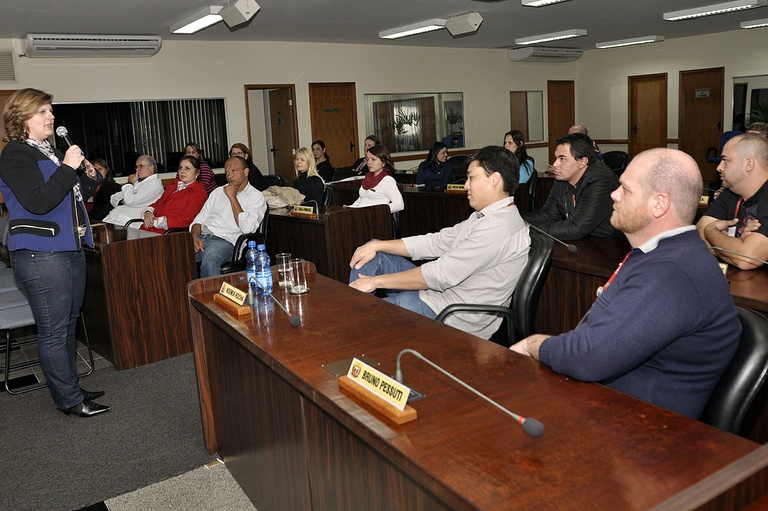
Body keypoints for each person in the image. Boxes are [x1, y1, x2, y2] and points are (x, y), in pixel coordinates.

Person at [511, 148, 741, 420]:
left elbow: (589, 356)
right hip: (607, 408)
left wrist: (534, 345)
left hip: (639, 431)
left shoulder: (671, 272)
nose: (614, 194)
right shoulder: (661, 255)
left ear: (660, 204)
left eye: (625, 189)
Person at [0, 88, 109, 417]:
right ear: (22, 118)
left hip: (69, 248)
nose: (51, 117)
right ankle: (69, 400)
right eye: (43, 112)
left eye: (51, 111)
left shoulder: (47, 152)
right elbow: (38, 201)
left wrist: (88, 180)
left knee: (69, 323)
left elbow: (68, 199)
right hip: (41, 253)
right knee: (54, 329)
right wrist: (67, 167)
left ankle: (71, 387)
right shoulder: (16, 154)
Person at [348, 145, 530, 340]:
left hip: (453, 315)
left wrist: (374, 282)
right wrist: (378, 245)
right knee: (374, 248)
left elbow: (441, 274)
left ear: (494, 179)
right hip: (439, 295)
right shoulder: (485, 216)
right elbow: (437, 242)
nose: (466, 185)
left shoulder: (499, 227)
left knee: (373, 314)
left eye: (472, 178)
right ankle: (350, 314)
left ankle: (349, 325)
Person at [523, 133, 623, 240]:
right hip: (581, 242)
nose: (555, 164)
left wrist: (527, 229)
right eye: (556, 158)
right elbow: (549, 214)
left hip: (609, 245)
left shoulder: (600, 181)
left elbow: (576, 228)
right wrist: (517, 222)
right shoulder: (563, 177)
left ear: (582, 162)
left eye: (562, 159)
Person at [697, 133, 768, 270]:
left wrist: (711, 231)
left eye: (725, 160)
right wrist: (738, 244)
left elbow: (747, 259)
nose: (719, 167)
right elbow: (698, 240)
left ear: (748, 164)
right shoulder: (731, 190)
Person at [190, 156, 267, 278]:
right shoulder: (217, 192)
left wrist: (232, 197)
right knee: (175, 257)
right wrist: (194, 237)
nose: (229, 175)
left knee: (210, 260)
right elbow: (199, 220)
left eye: (234, 171)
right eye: (226, 172)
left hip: (225, 242)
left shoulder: (256, 197)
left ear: (246, 172)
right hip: (202, 238)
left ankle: (211, 296)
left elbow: (247, 228)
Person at [140, 155, 208, 233]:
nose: (182, 171)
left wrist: (157, 222)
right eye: (180, 168)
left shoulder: (199, 193)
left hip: (170, 233)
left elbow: (187, 220)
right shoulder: (173, 186)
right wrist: (148, 212)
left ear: (197, 173)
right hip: (150, 228)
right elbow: (158, 203)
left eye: (187, 169)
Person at [103, 154, 164, 227]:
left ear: (151, 167)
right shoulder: (138, 181)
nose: (137, 170)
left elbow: (130, 201)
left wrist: (129, 183)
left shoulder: (155, 184)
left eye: (141, 166)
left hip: (131, 222)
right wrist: (123, 201)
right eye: (136, 167)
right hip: (117, 218)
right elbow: (113, 198)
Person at [349, 144, 404, 213]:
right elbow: (362, 199)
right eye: (367, 159)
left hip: (376, 218)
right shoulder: (367, 177)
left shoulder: (387, 180)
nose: (369, 162)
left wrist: (377, 210)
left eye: (373, 159)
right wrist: (350, 208)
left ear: (383, 162)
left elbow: (399, 205)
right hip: (362, 216)